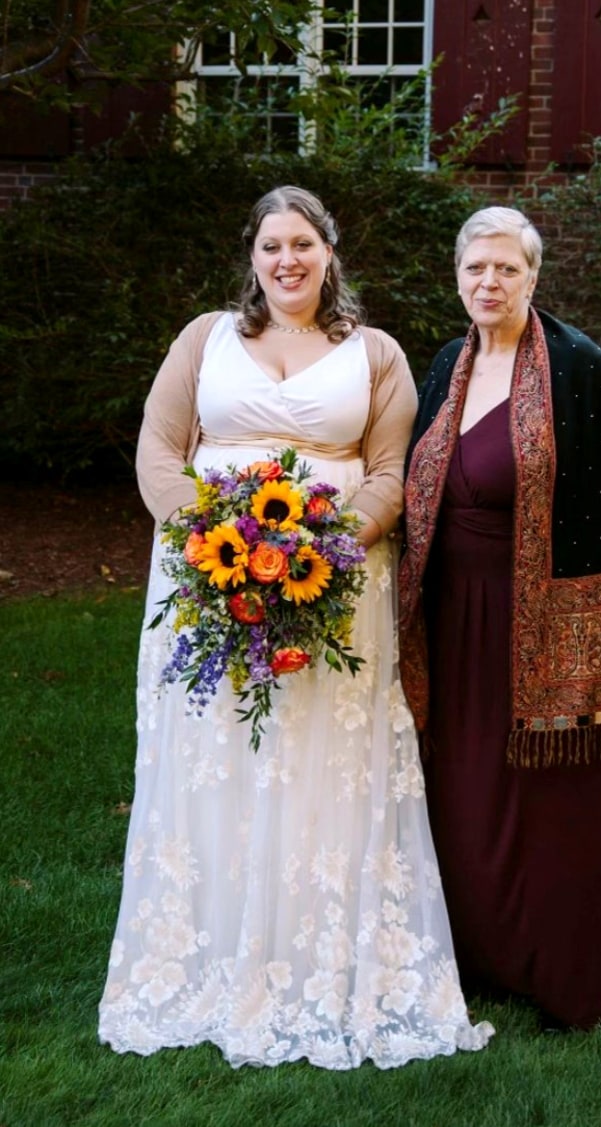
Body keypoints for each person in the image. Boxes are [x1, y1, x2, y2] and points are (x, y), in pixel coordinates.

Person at [98, 186, 494, 1068]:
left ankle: (316, 953)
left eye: (304, 245)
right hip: (204, 573)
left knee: (318, 761)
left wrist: (327, 541)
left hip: (335, 583)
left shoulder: (376, 354)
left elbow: (391, 472)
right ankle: (206, 949)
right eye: (273, 245)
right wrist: (207, 540)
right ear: (252, 255)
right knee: (219, 757)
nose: (288, 260)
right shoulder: (205, 340)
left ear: (329, 253)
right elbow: (159, 452)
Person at [398, 206, 601, 1030]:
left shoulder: (575, 366)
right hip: (452, 618)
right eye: (475, 269)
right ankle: (480, 956)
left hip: (541, 619)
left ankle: (566, 965)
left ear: (534, 277)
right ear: (457, 276)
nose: (489, 283)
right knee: (466, 789)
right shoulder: (448, 363)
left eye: (506, 270)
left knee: (547, 800)